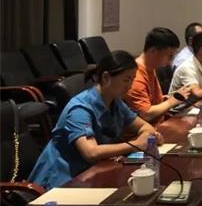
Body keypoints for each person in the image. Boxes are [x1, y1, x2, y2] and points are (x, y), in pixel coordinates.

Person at [29, 51, 162, 190]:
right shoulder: (79, 108)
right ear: (106, 77)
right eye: (126, 80)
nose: (130, 86)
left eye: (132, 80)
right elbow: (91, 153)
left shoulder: (115, 102)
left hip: (93, 173)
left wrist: (148, 137)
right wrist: (137, 144)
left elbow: (145, 127)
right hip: (62, 181)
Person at [125, 27, 192, 124]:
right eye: (169, 56)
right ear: (153, 51)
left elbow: (152, 101)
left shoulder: (150, 68)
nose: (170, 62)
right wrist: (173, 101)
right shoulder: (135, 77)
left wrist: (168, 98)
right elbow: (146, 114)